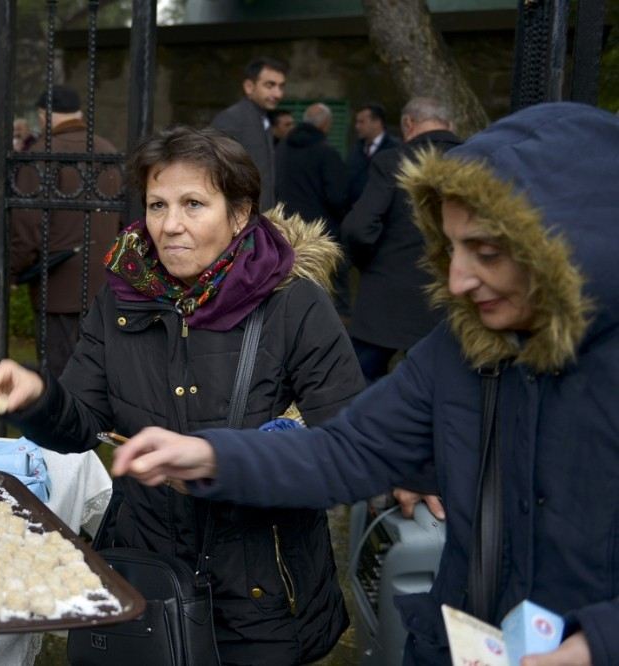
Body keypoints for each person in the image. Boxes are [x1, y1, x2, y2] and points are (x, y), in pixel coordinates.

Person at [114, 102, 619, 666]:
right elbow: (348, 450)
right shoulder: (459, 350)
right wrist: (211, 455)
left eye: (487, 252)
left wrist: (599, 643)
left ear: (566, 247)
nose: (458, 279)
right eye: (451, 248)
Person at [0, 126, 365, 665]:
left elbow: (345, 446)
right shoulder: (121, 298)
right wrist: (36, 398)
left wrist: (224, 463)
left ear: (240, 213)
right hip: (149, 572)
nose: (171, 225)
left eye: (193, 204)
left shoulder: (294, 306)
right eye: (157, 204)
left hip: (261, 594)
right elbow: (82, 421)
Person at [341, 97, 460, 382]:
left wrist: (369, 263)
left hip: (387, 299)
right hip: (452, 299)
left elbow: (358, 228)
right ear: (449, 125)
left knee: (360, 389)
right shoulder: (475, 160)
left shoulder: (393, 161)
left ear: (408, 124)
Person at [10, 84, 121, 377]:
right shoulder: (107, 150)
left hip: (57, 291)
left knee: (62, 378)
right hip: (104, 286)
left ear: (44, 116)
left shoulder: (42, 154)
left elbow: (27, 226)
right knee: (99, 376)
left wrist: (11, 272)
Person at [275, 103, 351, 316]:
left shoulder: (282, 148)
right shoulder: (326, 152)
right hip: (321, 233)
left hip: (286, 229)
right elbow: (337, 197)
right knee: (327, 292)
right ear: (326, 125)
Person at [211, 56, 286, 213]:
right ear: (249, 86)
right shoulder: (231, 119)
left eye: (281, 86)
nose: (278, 93)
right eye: (270, 85)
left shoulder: (263, 118)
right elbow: (214, 172)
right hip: (239, 220)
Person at [346, 103, 399, 203]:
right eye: (356, 122)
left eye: (362, 122)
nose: (357, 126)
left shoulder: (394, 148)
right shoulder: (356, 149)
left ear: (377, 122)